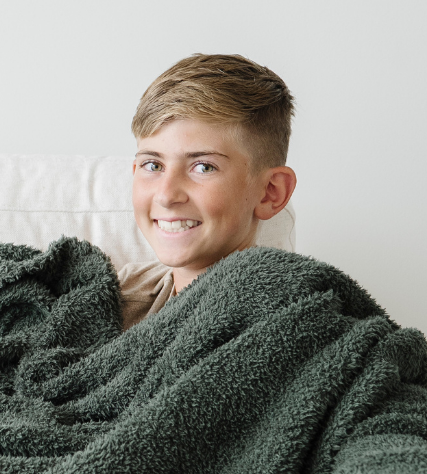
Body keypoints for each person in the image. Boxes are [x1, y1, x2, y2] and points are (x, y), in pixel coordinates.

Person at [117, 54, 298, 330]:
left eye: (203, 167)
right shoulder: (119, 293)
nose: (166, 195)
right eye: (153, 165)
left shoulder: (285, 317)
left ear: (270, 193)